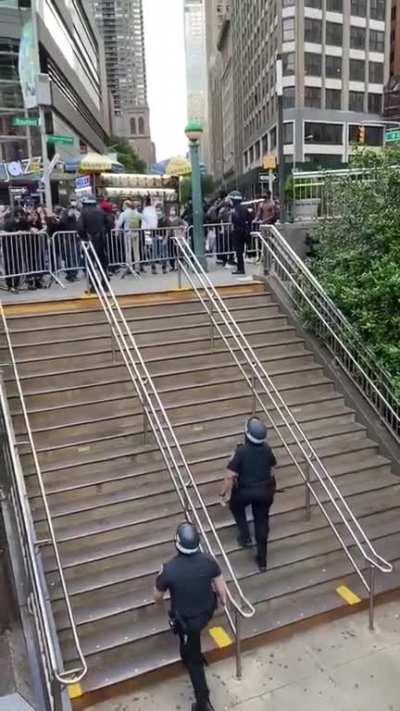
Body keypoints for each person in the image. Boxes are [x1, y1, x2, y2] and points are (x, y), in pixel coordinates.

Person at [154, 522, 227, 711]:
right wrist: (221, 602)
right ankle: (190, 652)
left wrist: (162, 608)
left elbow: (157, 596)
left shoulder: (168, 569)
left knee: (193, 660)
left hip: (187, 620)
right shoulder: (209, 561)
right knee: (191, 640)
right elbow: (221, 590)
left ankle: (203, 703)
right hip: (206, 612)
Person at [220, 417, 277, 573]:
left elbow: (230, 476)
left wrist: (224, 493)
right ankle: (262, 560)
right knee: (262, 522)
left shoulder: (241, 452)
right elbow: (272, 469)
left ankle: (245, 536)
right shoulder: (267, 449)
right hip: (265, 491)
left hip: (244, 491)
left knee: (236, 507)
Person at [77, 195, 109, 293]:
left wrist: (84, 238)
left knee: (90, 264)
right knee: (102, 263)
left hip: (90, 240)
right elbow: (110, 223)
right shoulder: (101, 211)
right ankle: (105, 284)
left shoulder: (84, 212)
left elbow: (80, 227)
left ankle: (94, 286)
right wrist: (104, 233)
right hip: (101, 240)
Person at [116, 199, 142, 275]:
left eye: (123, 205)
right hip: (136, 233)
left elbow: (119, 224)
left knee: (128, 251)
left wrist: (116, 231)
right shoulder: (136, 212)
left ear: (125, 205)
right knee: (136, 251)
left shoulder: (124, 214)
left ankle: (129, 267)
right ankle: (137, 268)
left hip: (127, 234)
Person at [229, 191, 251, 275]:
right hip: (244, 231)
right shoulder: (244, 208)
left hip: (238, 232)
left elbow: (235, 220)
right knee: (240, 251)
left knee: (238, 251)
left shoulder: (235, 210)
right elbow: (249, 219)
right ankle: (240, 268)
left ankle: (240, 269)